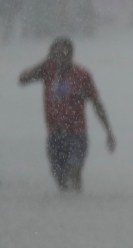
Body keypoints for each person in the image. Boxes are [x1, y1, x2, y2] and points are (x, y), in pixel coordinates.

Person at [19, 36, 116, 191]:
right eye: (57, 53)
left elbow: (97, 104)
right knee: (60, 178)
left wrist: (108, 131)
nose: (61, 57)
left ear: (71, 54)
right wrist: (45, 61)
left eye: (65, 53)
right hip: (54, 135)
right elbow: (22, 79)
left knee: (74, 170)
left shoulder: (82, 75)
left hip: (77, 134)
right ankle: (66, 209)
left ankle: (77, 206)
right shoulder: (47, 70)